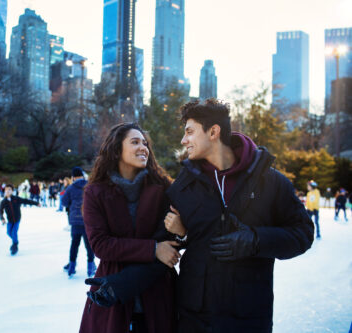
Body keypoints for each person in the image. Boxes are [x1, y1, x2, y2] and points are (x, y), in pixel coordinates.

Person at [88, 99, 314, 333]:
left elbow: (303, 234)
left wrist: (256, 240)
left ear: (214, 132)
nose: (184, 140)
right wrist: (122, 284)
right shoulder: (182, 187)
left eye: (189, 132)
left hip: (249, 315)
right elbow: (165, 250)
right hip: (194, 318)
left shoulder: (270, 181)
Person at [79, 122, 179, 333]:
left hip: (158, 294)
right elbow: (100, 245)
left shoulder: (163, 188)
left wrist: (175, 234)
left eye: (145, 143)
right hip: (112, 297)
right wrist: (153, 249)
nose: (143, 147)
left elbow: (171, 239)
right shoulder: (95, 192)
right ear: (116, 150)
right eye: (135, 142)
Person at [61, 167, 96, 278]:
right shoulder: (90, 186)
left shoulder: (71, 188)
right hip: (88, 220)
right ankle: (90, 267)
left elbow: (64, 202)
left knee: (74, 244)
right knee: (89, 245)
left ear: (73, 177)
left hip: (75, 221)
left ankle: (72, 267)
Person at [0, 184, 40, 255]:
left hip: (17, 219)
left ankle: (15, 245)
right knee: (8, 232)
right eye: (6, 190)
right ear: (4, 191)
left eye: (9, 190)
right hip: (10, 220)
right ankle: (15, 241)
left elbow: (26, 201)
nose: (8, 191)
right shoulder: (4, 201)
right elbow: (0, 211)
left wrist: (36, 203)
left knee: (14, 232)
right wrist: (2, 218)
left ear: (12, 191)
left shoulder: (16, 199)